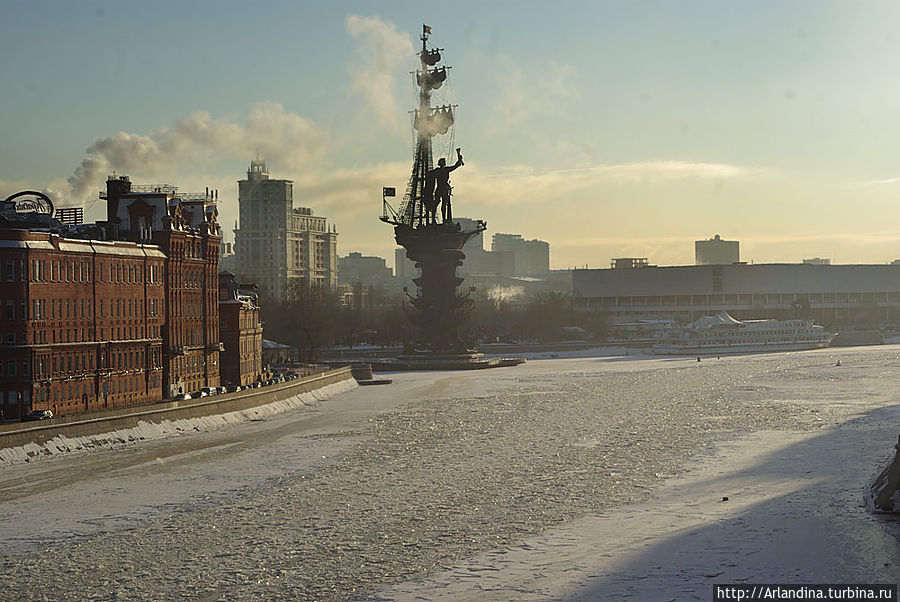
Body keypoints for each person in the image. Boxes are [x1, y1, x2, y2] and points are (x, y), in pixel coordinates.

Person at [428, 148, 464, 223]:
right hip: (443, 188)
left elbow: (429, 174)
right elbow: (455, 166)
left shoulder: (437, 171)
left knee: (438, 203)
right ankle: (443, 219)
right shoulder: (444, 170)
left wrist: (459, 160)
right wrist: (459, 160)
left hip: (440, 188)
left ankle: (435, 219)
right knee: (443, 204)